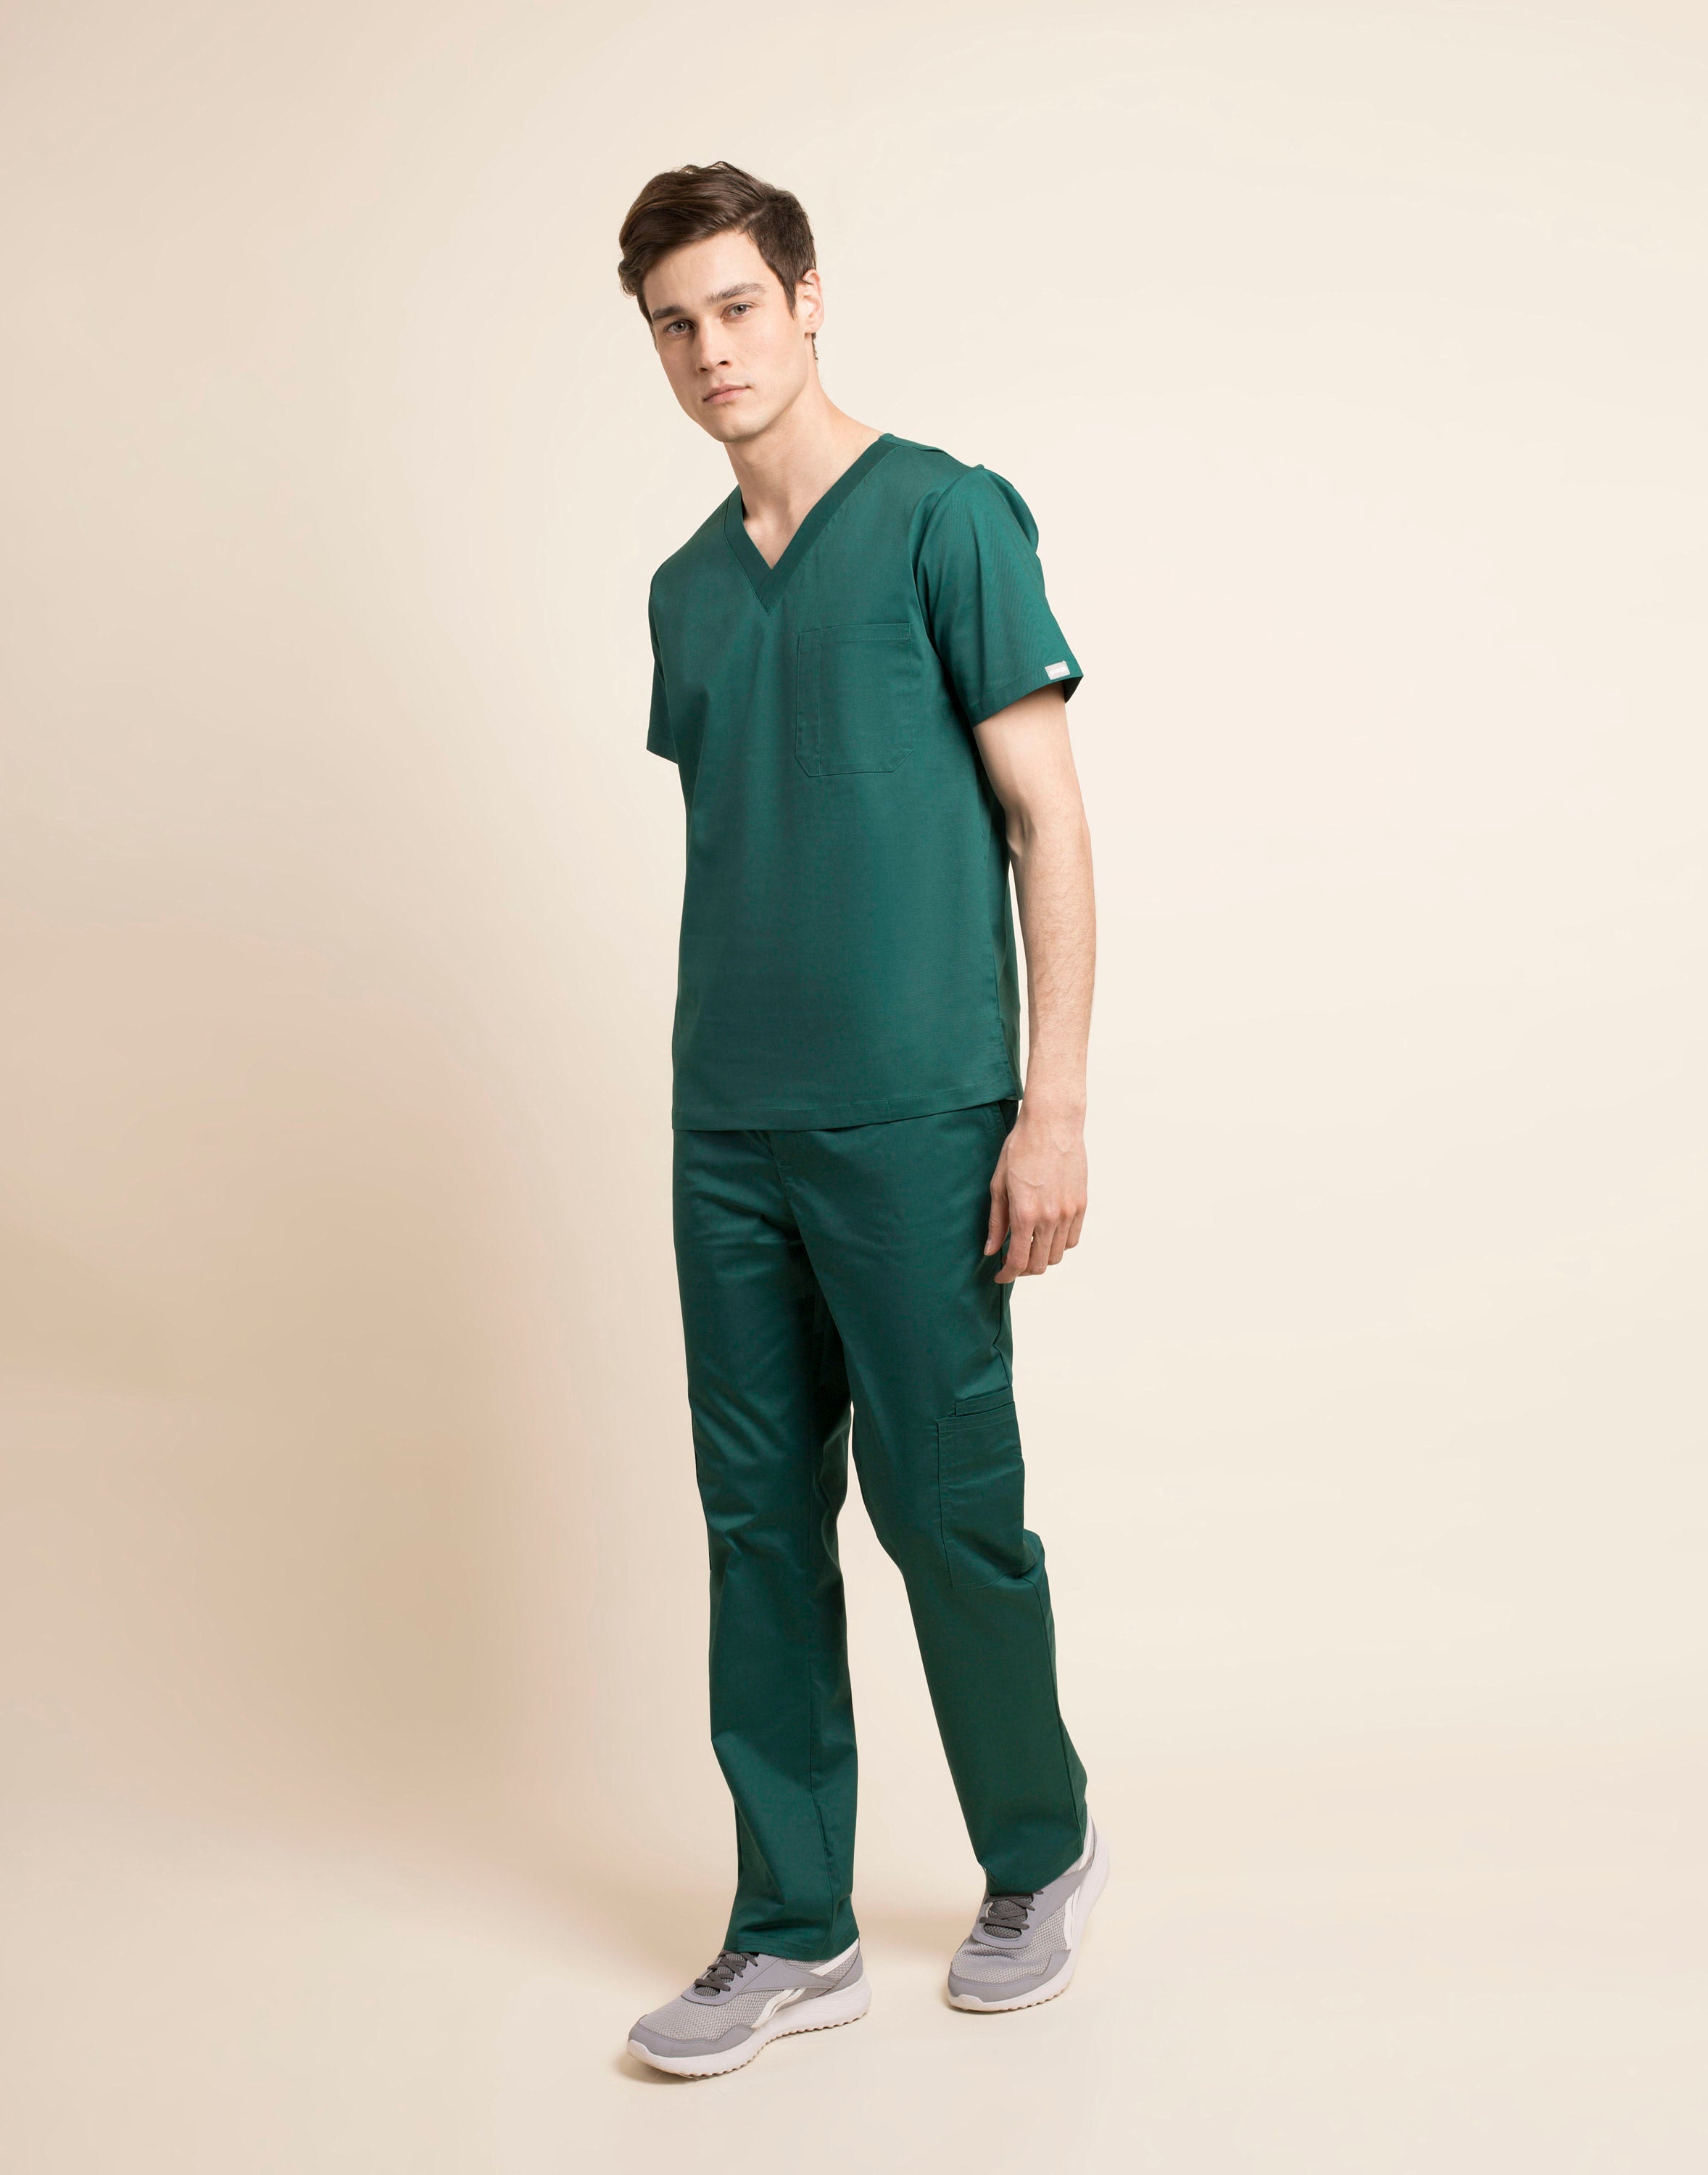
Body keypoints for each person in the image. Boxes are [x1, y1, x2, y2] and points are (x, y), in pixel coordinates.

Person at [615, 160, 1106, 2079]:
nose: (712, 350)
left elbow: (1046, 823)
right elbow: (758, 831)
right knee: (755, 1524)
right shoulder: (683, 591)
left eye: (738, 305)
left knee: (946, 1507)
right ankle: (790, 1928)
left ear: (807, 299)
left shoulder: (945, 518)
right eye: (676, 323)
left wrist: (1049, 1107)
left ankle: (1037, 1853)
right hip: (728, 1123)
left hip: (918, 1116)